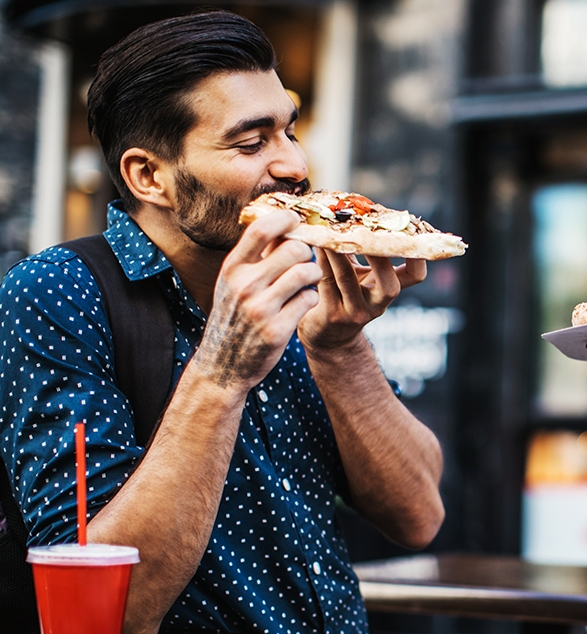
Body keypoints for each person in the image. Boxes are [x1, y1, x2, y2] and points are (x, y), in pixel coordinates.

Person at [0, 11, 444, 634]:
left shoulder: (303, 287)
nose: (294, 164)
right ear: (149, 176)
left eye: (290, 130)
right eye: (251, 142)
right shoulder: (58, 293)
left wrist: (341, 351)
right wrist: (221, 370)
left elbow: (419, 515)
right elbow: (100, 613)